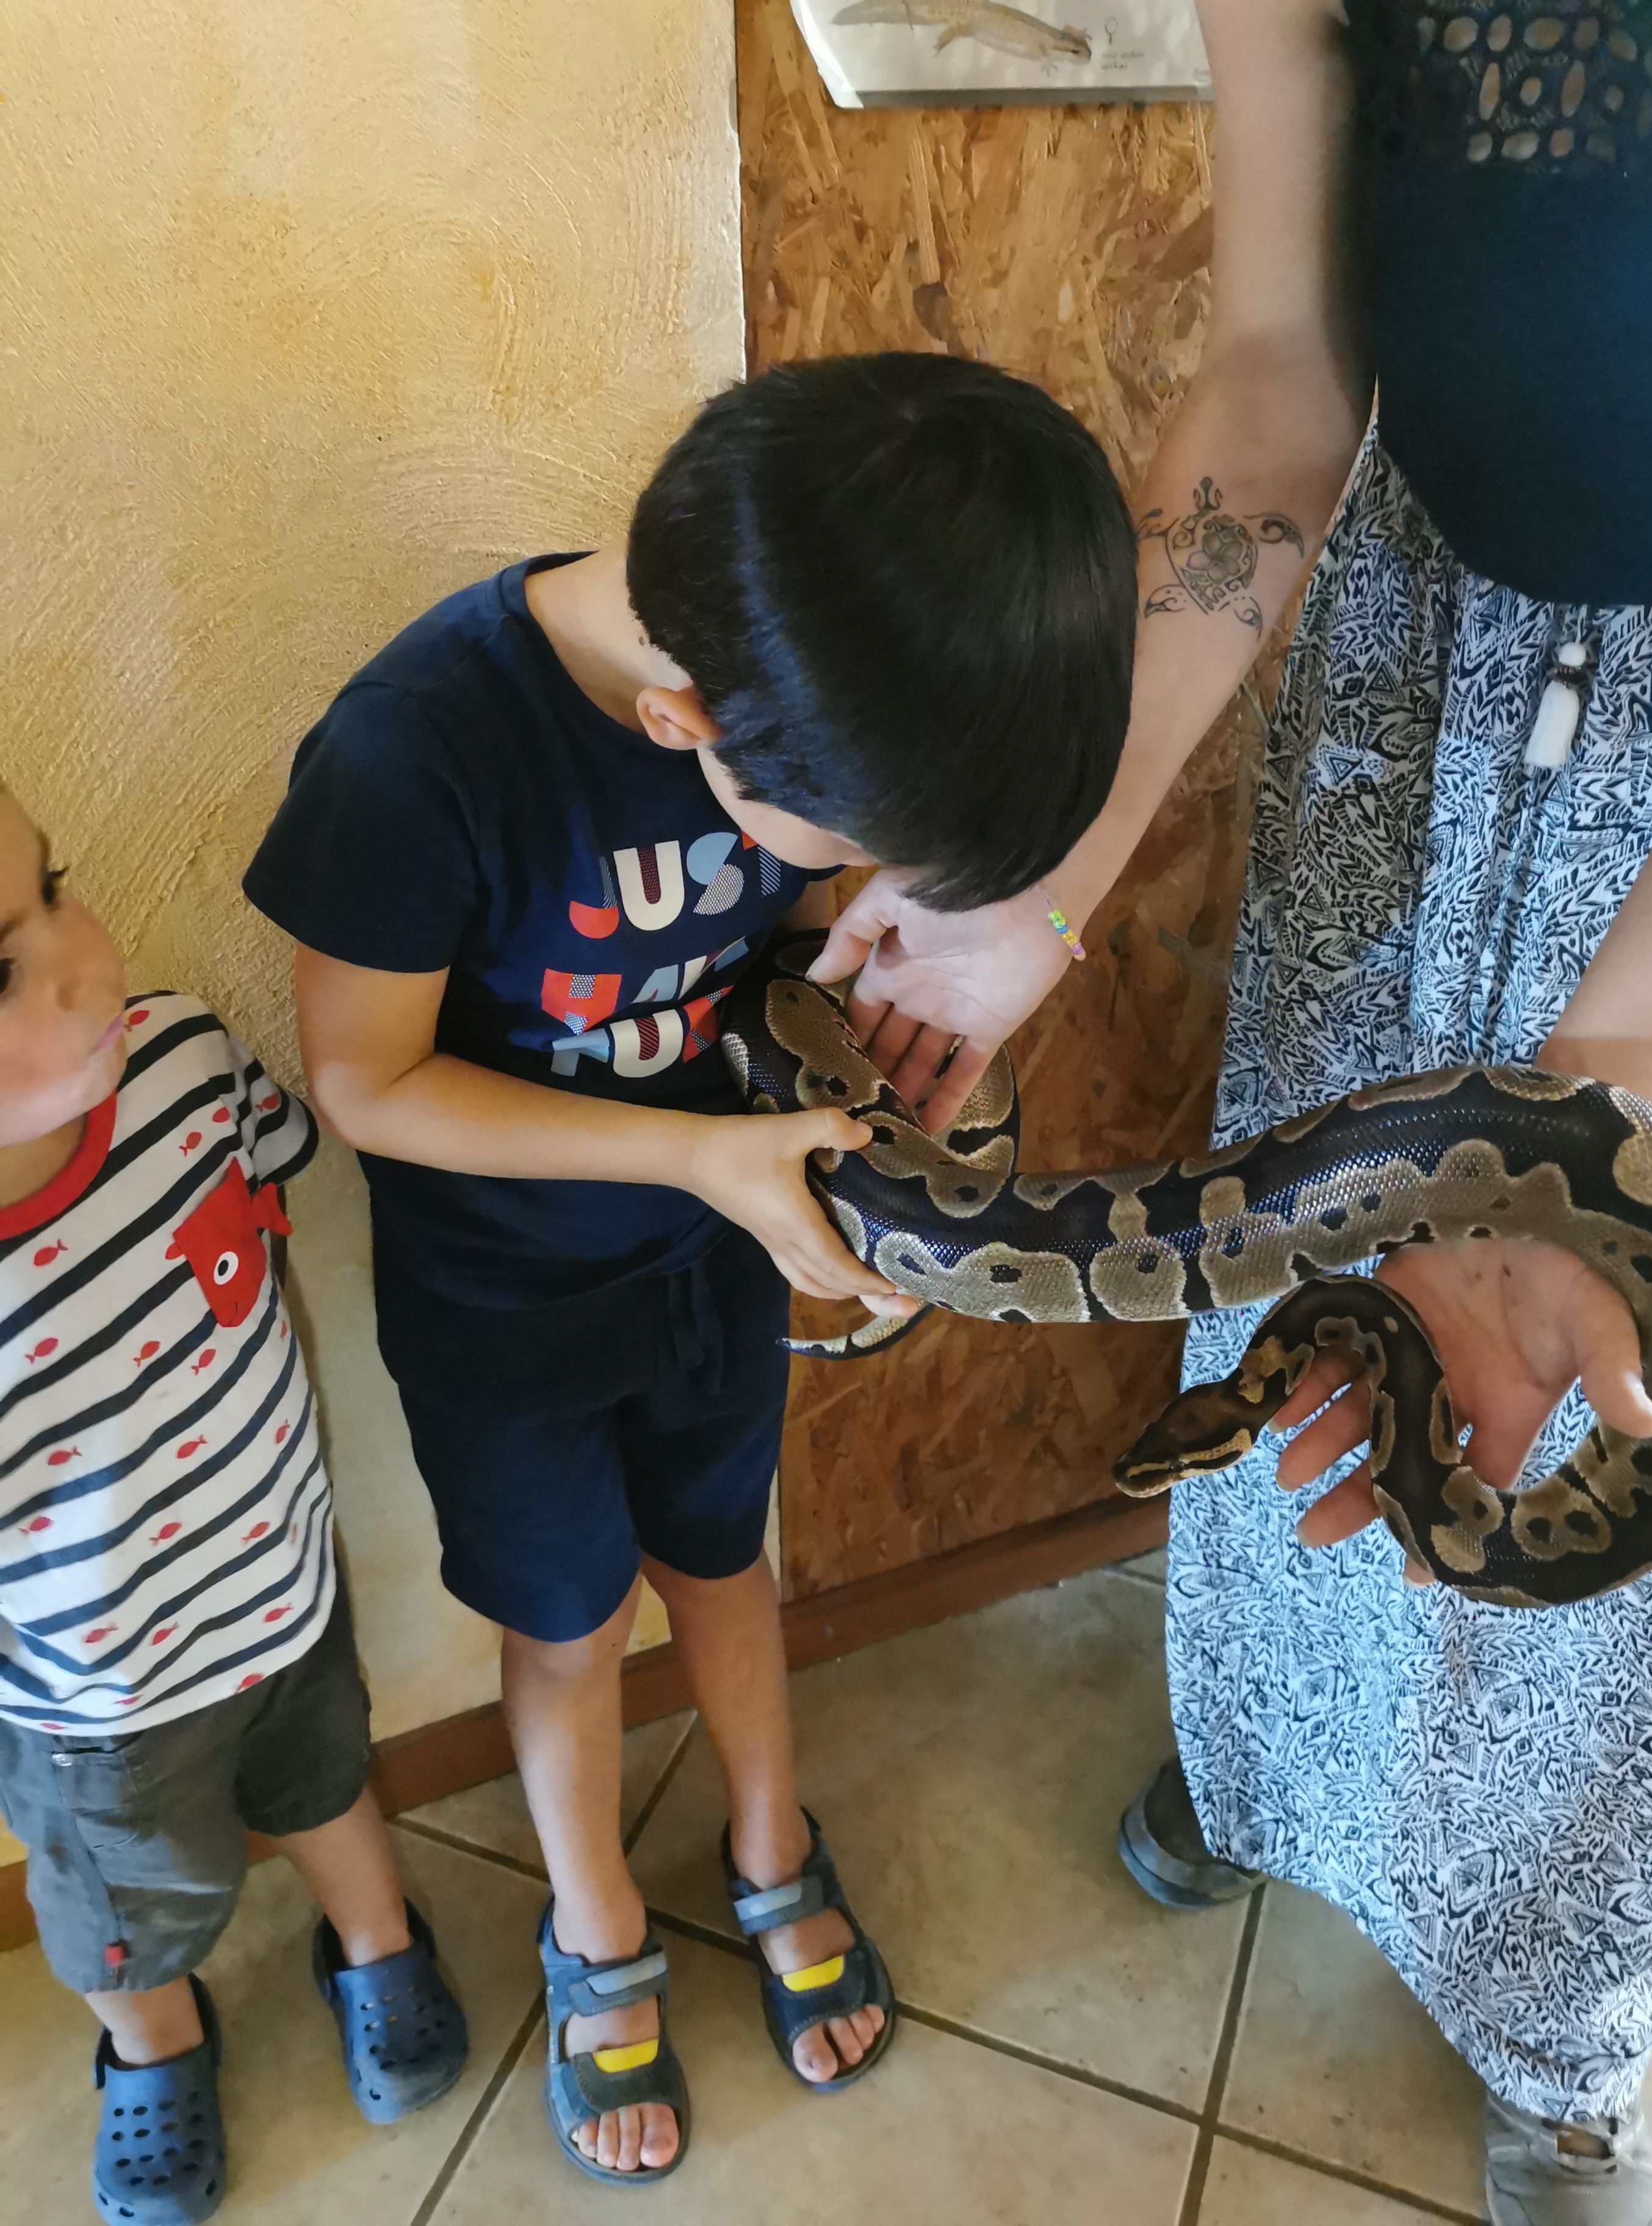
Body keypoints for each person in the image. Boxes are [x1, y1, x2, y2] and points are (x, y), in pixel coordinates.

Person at [815, 7, 1652, 2221]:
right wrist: (1043, 869)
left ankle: (1564, 2024)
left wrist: (1601, 1099)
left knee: (1578, 1390)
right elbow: (1283, 369)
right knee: (1307, 1317)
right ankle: (1283, 1767)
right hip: (1411, 661)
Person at [242, 351, 1138, 2184]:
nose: (861, 882)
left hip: (710, 1257)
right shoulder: (416, 754)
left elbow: (779, 948)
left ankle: (767, 1842)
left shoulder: (800, 684)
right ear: (686, 726)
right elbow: (364, 1085)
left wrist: (864, 1106)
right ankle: (594, 1929)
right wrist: (696, 1158)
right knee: (568, 1627)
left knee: (727, 1566)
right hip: (505, 1310)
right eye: (856, 852)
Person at [0, 787, 467, 2226]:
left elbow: (272, 1215)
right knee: (125, 1915)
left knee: (328, 1781)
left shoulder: (184, 1064)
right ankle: (152, 2045)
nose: (84, 963)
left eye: (54, 887)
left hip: (282, 1587)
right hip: (96, 1709)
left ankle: (375, 1939)